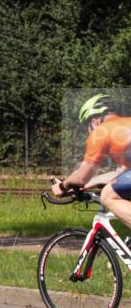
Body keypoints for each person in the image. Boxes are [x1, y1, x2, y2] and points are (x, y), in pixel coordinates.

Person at [53, 93, 131, 227]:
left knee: (108, 196)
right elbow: (120, 175)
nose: (88, 131)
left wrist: (63, 186)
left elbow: (82, 176)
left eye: (87, 126)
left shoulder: (101, 132)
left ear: (95, 120)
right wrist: (88, 184)